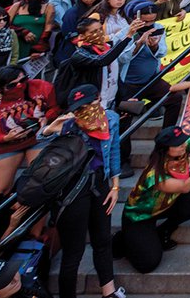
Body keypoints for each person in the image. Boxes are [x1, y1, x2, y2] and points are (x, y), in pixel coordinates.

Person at [39, 84, 123, 298]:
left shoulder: (110, 118)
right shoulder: (69, 123)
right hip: (72, 190)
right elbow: (43, 143)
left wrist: (115, 186)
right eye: (79, 107)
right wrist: (51, 128)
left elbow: (113, 153)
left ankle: (109, 291)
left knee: (102, 240)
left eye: (89, 105)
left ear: (98, 100)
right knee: (73, 250)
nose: (85, 111)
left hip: (100, 184)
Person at [0, 66, 59, 251]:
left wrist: (46, 119)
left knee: (40, 180)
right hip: (5, 145)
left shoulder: (42, 86)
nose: (20, 85)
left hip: (37, 138)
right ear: (0, 87)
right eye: (13, 84)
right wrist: (4, 138)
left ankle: (36, 231)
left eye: (23, 80)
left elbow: (54, 108)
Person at [116, 124, 190, 273]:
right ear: (166, 149)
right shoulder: (155, 175)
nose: (183, 145)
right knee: (147, 264)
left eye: (183, 141)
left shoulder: (181, 150)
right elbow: (185, 187)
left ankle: (162, 232)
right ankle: (122, 239)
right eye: (178, 144)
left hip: (163, 205)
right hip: (139, 217)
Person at [115, 0, 179, 177]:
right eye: (146, 22)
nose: (150, 25)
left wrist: (154, 45)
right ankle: (123, 160)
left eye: (152, 21)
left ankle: (165, 145)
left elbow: (162, 52)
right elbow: (121, 58)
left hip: (151, 80)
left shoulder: (159, 28)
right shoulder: (125, 32)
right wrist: (138, 43)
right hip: (128, 83)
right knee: (124, 121)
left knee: (174, 98)